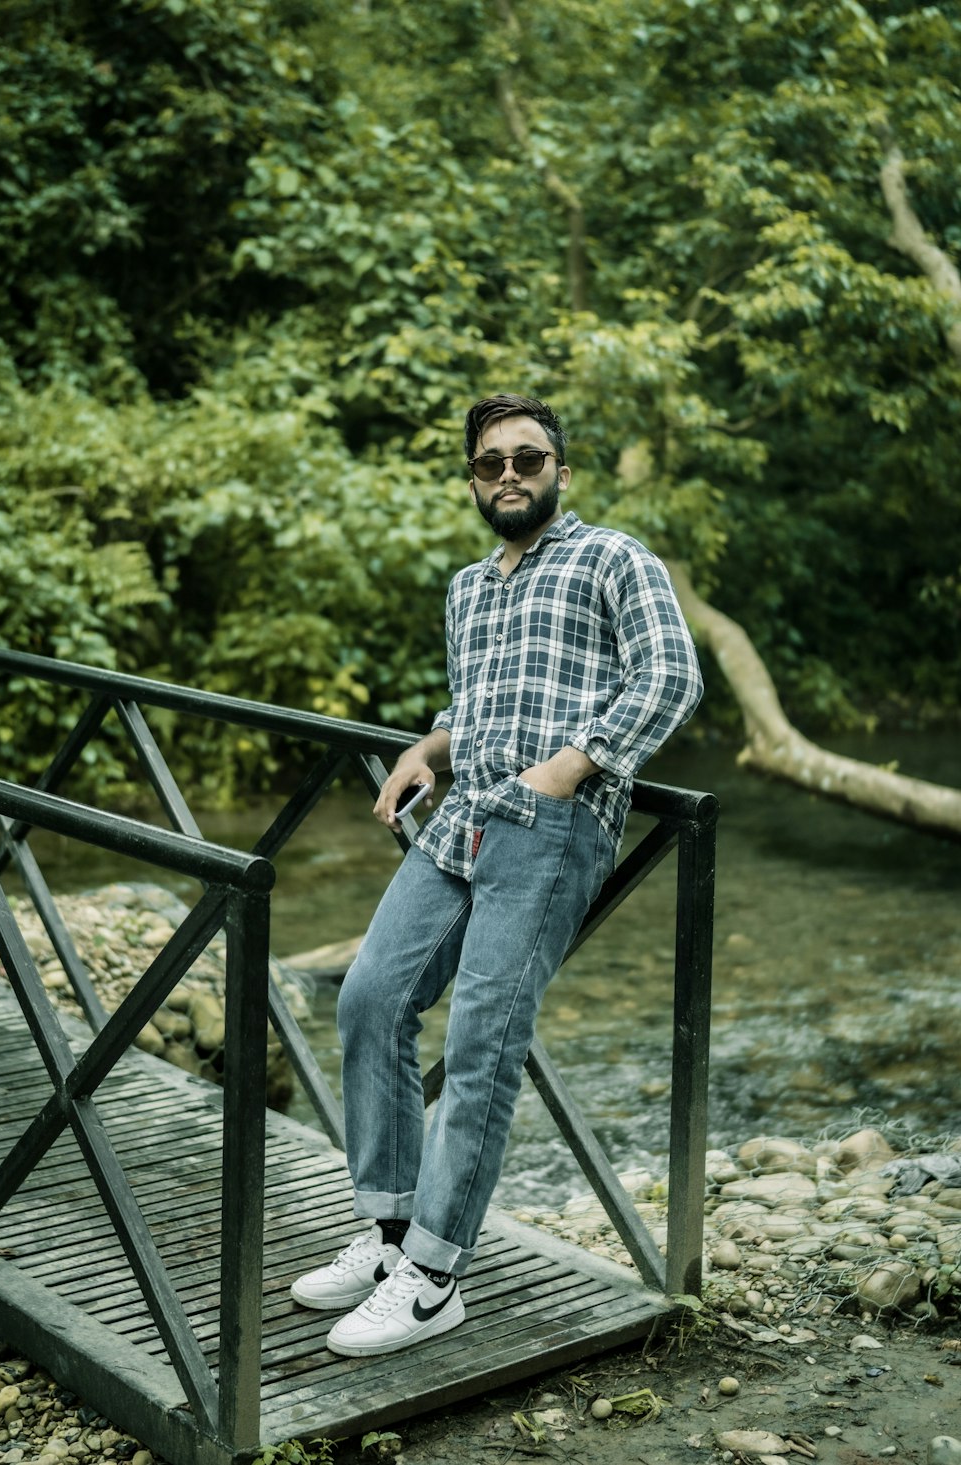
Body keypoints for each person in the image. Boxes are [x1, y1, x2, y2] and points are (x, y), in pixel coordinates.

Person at [290, 393, 703, 1356]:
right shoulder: (469, 588)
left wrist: (569, 768)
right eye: (490, 463)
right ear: (474, 481)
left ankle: (435, 1275)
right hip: (463, 819)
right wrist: (425, 747)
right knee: (368, 999)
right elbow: (474, 703)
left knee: (482, 1036)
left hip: (552, 829)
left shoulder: (615, 558)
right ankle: (390, 1234)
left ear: (563, 470)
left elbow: (670, 676)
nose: (509, 474)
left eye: (528, 457)